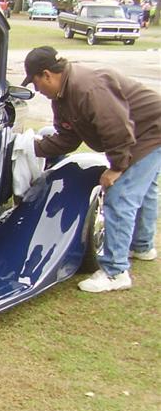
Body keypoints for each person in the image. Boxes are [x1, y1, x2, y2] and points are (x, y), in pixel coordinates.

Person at [21, 46, 161, 293]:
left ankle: (115, 272)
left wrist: (117, 167)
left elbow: (117, 128)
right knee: (146, 189)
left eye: (35, 83)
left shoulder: (86, 88)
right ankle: (142, 246)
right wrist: (29, 147)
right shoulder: (62, 97)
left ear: (47, 75)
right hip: (137, 132)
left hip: (149, 132)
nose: (37, 90)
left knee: (121, 196)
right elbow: (67, 138)